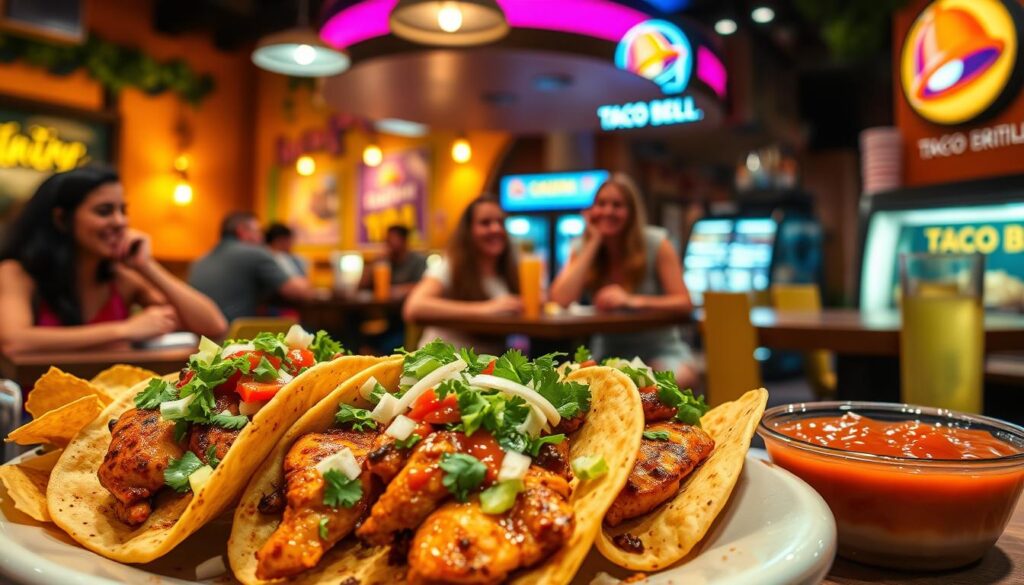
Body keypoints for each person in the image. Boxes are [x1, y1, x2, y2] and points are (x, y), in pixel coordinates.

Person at [0, 167, 227, 355]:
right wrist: (125, 329)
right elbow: (14, 341)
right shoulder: (16, 273)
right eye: (104, 211)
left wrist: (147, 266)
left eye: (122, 210)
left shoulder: (123, 278)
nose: (120, 222)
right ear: (61, 219)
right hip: (38, 408)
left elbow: (213, 326)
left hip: (110, 407)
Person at [550, 173, 698, 388]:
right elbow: (560, 299)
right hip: (608, 353)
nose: (608, 211)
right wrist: (593, 243)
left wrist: (631, 300)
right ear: (592, 210)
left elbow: (684, 303)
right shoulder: (582, 248)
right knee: (577, 388)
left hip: (660, 349)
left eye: (617, 205)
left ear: (631, 212)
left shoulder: (656, 243)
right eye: (601, 204)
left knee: (662, 384)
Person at [403, 197, 521, 354]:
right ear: (468, 231)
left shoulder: (509, 271)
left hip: (490, 366)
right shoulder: (451, 265)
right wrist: (485, 309)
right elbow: (414, 307)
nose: (496, 229)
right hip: (445, 361)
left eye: (500, 222)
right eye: (485, 223)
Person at [189, 212, 312, 322]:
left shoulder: (199, 260)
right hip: (235, 336)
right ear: (242, 231)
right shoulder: (254, 253)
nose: (262, 237)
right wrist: (283, 257)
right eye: (258, 231)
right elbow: (299, 291)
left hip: (202, 337)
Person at [360, 224, 428, 295]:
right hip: (383, 305)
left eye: (391, 239)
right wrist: (375, 262)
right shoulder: (383, 261)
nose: (388, 243)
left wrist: (395, 290)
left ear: (404, 240)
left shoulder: (418, 261)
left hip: (410, 303)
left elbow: (423, 286)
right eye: (387, 239)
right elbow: (362, 287)